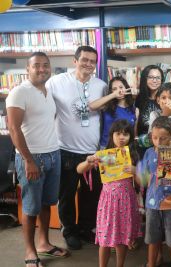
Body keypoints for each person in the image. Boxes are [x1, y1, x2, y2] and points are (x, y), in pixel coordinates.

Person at [6, 52, 69, 267]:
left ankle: (44, 243)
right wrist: (28, 160)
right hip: (32, 158)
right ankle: (30, 251)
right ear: (28, 68)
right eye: (37, 66)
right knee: (31, 208)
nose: (42, 69)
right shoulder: (19, 92)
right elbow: (13, 129)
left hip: (54, 154)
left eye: (45, 65)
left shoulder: (48, 91)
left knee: (46, 203)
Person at [46, 45, 108, 250]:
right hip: (65, 150)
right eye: (84, 60)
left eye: (92, 61)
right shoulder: (57, 82)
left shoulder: (101, 85)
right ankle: (69, 231)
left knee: (91, 194)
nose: (88, 64)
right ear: (75, 60)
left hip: (92, 150)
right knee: (66, 194)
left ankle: (85, 228)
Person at [76, 120, 141, 267]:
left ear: (131, 136)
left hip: (126, 201)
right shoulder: (103, 155)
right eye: (118, 134)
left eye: (126, 134)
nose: (122, 137)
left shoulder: (132, 157)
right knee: (104, 239)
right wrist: (88, 161)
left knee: (123, 237)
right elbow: (79, 170)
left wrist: (135, 171)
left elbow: (141, 182)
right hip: (107, 201)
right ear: (112, 135)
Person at [139, 116, 171, 267]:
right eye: (155, 137)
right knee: (152, 238)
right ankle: (151, 263)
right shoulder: (148, 152)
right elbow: (142, 180)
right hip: (152, 202)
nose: (158, 142)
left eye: (163, 138)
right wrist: (136, 171)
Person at [89, 76, 139, 149]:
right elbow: (91, 106)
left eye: (121, 87)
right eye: (114, 89)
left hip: (125, 150)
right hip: (106, 147)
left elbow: (134, 134)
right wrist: (114, 95)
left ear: (126, 88)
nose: (119, 91)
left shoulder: (135, 110)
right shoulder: (107, 106)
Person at [135, 65, 164, 136]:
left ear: (162, 80)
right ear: (145, 79)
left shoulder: (165, 99)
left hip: (161, 141)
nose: (154, 80)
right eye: (151, 77)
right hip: (142, 141)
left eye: (158, 78)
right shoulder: (138, 98)